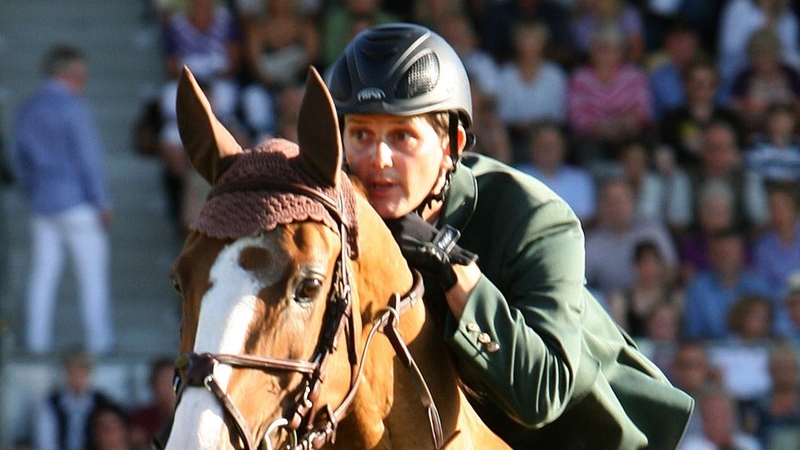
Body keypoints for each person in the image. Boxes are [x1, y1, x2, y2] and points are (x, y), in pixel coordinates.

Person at [327, 22, 694, 449]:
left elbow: (542, 392)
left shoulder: (534, 219)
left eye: (402, 136)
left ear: (451, 145)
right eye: (361, 135)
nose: (378, 159)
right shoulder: (342, 219)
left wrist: (451, 267)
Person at [11, 44, 115, 355]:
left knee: (43, 276)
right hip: (78, 203)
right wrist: (102, 201)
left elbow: (17, 159)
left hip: (43, 203)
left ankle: (36, 342)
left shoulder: (27, 108)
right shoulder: (74, 107)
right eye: (79, 73)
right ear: (67, 73)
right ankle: (101, 342)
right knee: (91, 276)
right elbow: (89, 159)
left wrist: (32, 189)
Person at [33, 350, 115, 450]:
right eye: (73, 372)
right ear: (65, 373)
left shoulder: (102, 403)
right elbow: (46, 441)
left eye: (82, 372)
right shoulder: (51, 404)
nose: (77, 377)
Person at [129, 357, 176, 449]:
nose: (170, 387)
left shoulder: (188, 417)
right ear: (153, 384)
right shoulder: (141, 417)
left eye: (173, 381)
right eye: (164, 381)